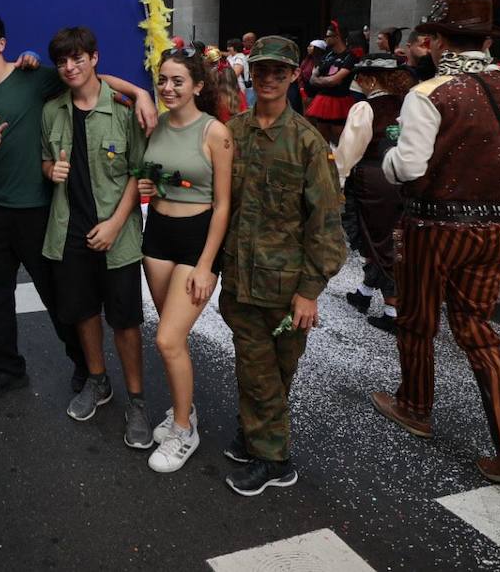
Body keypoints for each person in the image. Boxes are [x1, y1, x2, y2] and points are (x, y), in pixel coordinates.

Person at [375, 0, 500, 486]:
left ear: (440, 42)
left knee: (418, 318)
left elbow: (407, 167)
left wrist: (386, 161)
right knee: (477, 330)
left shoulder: (429, 91)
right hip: (495, 228)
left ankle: (414, 405)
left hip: (435, 225)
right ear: (486, 43)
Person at [0, 13, 155, 402]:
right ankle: (6, 369)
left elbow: (88, 83)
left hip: (38, 209)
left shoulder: (34, 77)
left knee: (60, 296)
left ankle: (87, 367)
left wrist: (141, 93)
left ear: (2, 44)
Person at [219, 35, 345, 496]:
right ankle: (270, 452)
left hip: (287, 286)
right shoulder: (232, 132)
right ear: (251, 73)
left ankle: (265, 447)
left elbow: (328, 224)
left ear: (295, 75)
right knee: (257, 368)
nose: (269, 78)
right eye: (262, 69)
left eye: (279, 71)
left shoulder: (308, 143)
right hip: (240, 280)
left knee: (275, 371)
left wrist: (310, 291)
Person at [40, 26, 150, 448]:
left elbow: (138, 172)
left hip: (117, 235)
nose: (70, 67)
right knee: (84, 313)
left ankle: (137, 402)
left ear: (95, 58)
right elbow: (44, 161)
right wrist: (51, 171)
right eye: (63, 61)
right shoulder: (52, 111)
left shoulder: (125, 109)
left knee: (125, 321)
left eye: (78, 58)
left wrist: (116, 223)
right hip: (69, 231)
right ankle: (98, 381)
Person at [138, 43, 233, 473]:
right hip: (156, 235)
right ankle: (185, 411)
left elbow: (224, 205)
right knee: (169, 338)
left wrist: (206, 264)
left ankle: (184, 429)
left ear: (197, 85)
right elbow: (153, 178)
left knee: (167, 340)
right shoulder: (155, 124)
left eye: (178, 81)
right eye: (162, 80)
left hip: (196, 240)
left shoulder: (215, 132)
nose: (168, 88)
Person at [335, 54, 416, 333]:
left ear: (370, 79)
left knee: (379, 240)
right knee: (393, 236)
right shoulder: (411, 105)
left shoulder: (365, 109)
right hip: (404, 179)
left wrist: (339, 181)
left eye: (359, 77)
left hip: (373, 180)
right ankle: (364, 293)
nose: (357, 82)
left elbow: (349, 151)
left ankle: (394, 311)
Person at [305, 21, 356, 144]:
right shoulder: (328, 55)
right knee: (321, 135)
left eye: (328, 36)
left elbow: (335, 80)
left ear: (337, 37)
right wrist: (324, 81)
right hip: (323, 100)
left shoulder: (349, 56)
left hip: (340, 100)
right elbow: (313, 77)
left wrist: (320, 80)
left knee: (339, 135)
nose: (325, 39)